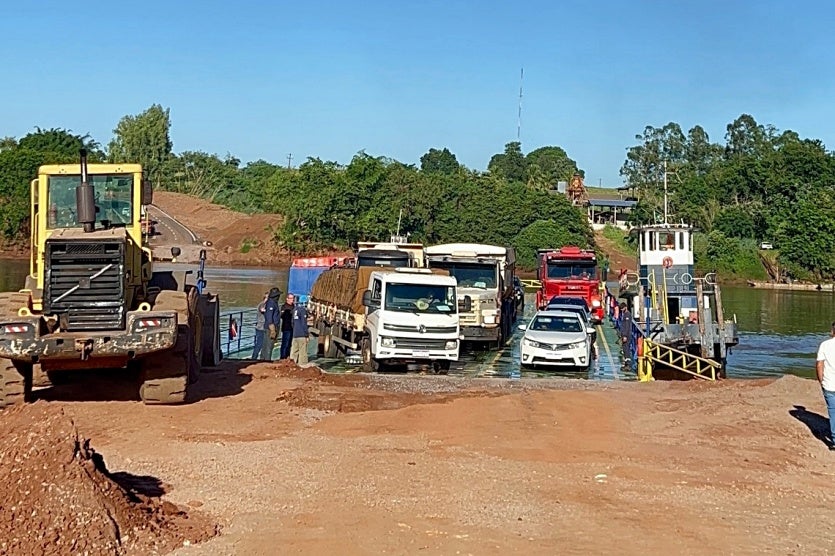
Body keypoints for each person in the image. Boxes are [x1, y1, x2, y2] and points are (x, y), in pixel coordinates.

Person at [815, 321, 835, 451]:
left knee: (833, 411)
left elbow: (819, 365)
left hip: (829, 384)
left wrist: (821, 380)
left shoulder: (825, 345)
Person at [260, 287, 282, 361]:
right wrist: (272, 329)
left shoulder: (272, 302)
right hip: (270, 328)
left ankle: (263, 359)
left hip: (271, 326)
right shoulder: (271, 304)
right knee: (269, 346)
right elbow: (269, 317)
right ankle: (266, 360)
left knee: (266, 345)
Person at [251, 291, 268, 359]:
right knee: (259, 344)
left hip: (265, 327)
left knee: (265, 344)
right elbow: (262, 310)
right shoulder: (262, 305)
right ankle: (254, 357)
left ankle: (262, 357)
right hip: (260, 327)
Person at [279, 293, 295, 359]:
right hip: (286, 327)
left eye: (293, 298)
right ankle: (283, 357)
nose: (292, 300)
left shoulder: (294, 307)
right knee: (285, 343)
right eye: (290, 298)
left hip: (292, 327)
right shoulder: (284, 307)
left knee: (289, 344)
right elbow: (282, 316)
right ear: (287, 299)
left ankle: (287, 356)